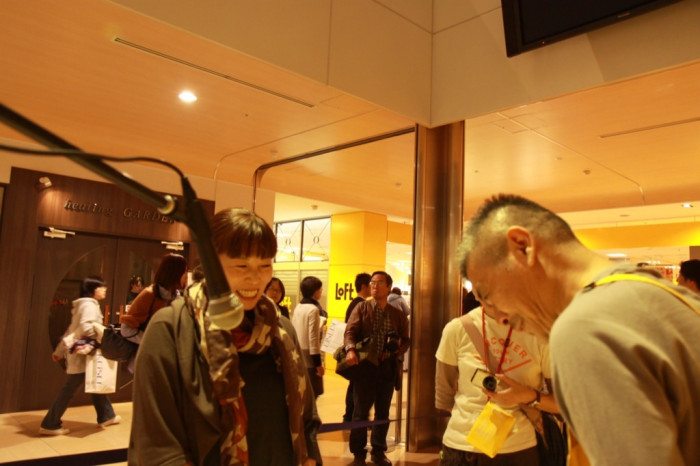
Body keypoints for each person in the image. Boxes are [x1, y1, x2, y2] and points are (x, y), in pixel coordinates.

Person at [458, 193, 700, 466]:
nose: (500, 318)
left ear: (522, 247)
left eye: (488, 294)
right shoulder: (658, 295)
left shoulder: (585, 326)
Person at [128, 208, 322, 466]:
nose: (255, 278)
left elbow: (306, 414)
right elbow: (157, 443)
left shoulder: (280, 329)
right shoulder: (171, 329)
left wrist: (310, 456)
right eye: (241, 265)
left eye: (265, 265)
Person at [435, 306, 559, 464]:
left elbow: (563, 405)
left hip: (519, 448)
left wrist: (529, 396)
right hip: (462, 447)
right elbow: (444, 396)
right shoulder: (457, 329)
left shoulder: (540, 334)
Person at [343, 271, 410, 466]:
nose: (374, 286)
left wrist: (397, 349)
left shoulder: (397, 314)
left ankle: (378, 450)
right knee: (360, 413)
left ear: (388, 287)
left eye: (380, 282)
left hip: (387, 368)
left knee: (383, 412)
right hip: (365, 368)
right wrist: (350, 350)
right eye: (372, 282)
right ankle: (358, 453)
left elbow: (406, 339)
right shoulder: (362, 308)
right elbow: (350, 331)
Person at [39, 276, 121, 435]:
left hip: (80, 353)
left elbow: (71, 330)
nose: (105, 289)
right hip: (82, 353)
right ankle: (50, 424)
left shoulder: (83, 305)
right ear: (93, 290)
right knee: (70, 389)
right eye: (101, 287)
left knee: (94, 382)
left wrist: (59, 351)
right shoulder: (89, 305)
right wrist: (101, 334)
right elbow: (85, 328)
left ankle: (107, 416)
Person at [120, 253, 188, 344]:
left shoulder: (178, 297)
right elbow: (126, 329)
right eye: (184, 272)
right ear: (174, 274)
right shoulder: (149, 294)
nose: (187, 276)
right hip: (146, 350)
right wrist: (153, 342)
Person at [342, 272, 371, 422]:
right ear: (365, 286)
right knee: (357, 387)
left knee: (354, 385)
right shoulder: (361, 305)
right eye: (372, 284)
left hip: (354, 350)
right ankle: (352, 417)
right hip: (358, 351)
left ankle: (350, 416)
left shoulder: (354, 303)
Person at [292, 276, 326, 398]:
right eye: (320, 289)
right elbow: (313, 339)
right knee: (313, 393)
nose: (321, 291)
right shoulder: (313, 310)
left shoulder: (298, 307)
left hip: (297, 352)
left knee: (302, 393)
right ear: (314, 291)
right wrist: (318, 364)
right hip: (310, 357)